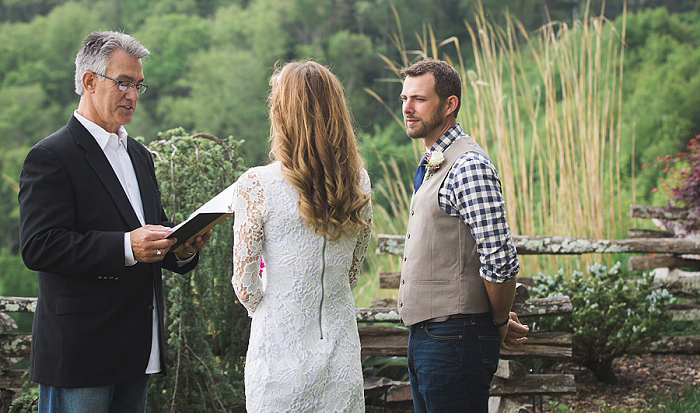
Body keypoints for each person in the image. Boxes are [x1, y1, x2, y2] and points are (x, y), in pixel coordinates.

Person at [18, 31, 210, 413]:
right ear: (89, 82)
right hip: (80, 354)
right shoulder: (51, 156)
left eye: (138, 85)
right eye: (123, 83)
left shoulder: (140, 156)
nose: (133, 95)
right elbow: (40, 245)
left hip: (138, 348)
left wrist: (182, 248)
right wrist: (127, 247)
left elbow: (151, 234)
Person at [231, 61, 372, 412]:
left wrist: (277, 305)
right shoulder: (359, 183)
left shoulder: (256, 185)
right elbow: (351, 274)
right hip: (340, 356)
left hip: (278, 357)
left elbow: (245, 286)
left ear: (282, 115)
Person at [397, 59, 530, 412]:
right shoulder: (434, 160)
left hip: (454, 341)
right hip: (428, 338)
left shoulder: (468, 166)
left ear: (449, 103)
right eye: (404, 98)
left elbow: (500, 261)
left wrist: (498, 322)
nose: (408, 108)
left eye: (419, 99)